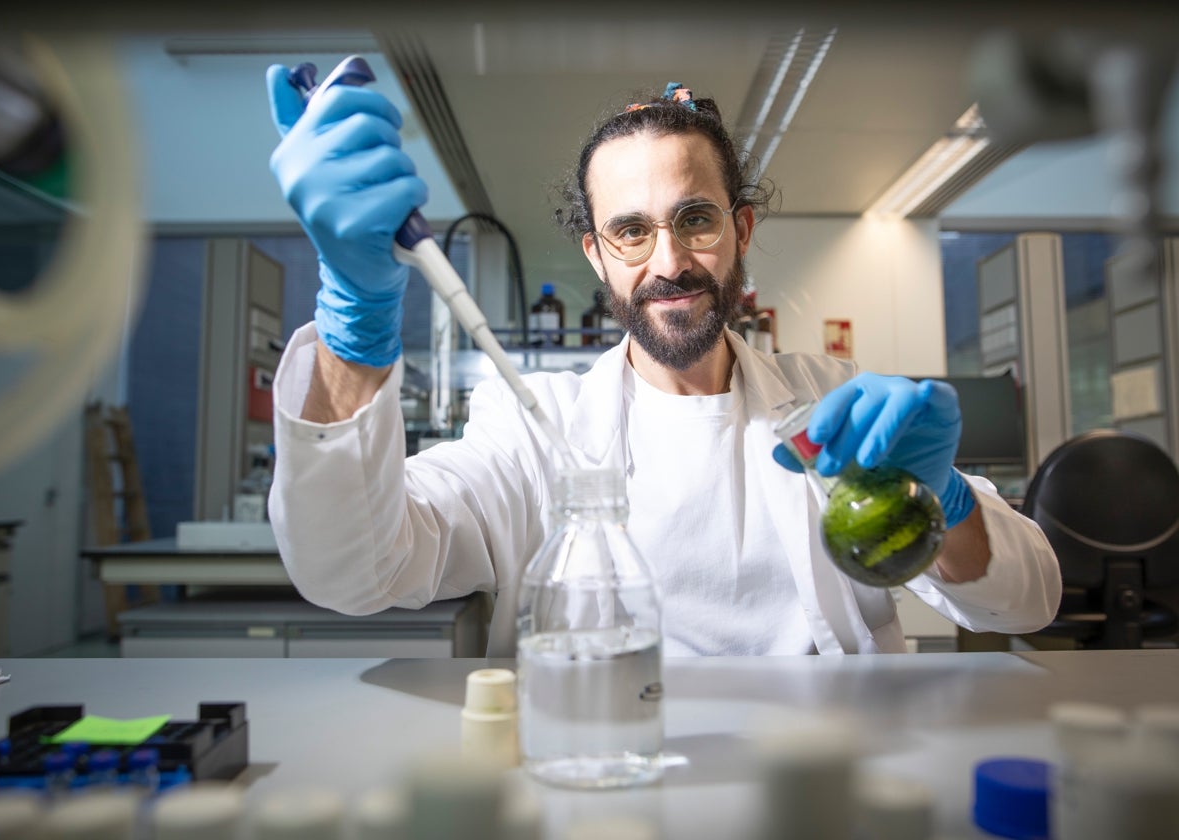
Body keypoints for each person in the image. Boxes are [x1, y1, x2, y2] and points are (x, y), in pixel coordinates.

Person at [264, 69, 1061, 656]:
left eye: (696, 219)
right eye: (632, 231)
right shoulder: (536, 427)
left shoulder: (830, 402)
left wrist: (946, 503)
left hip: (828, 775)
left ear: (742, 229)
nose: (669, 261)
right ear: (598, 254)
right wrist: (353, 326)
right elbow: (356, 571)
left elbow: (1028, 603)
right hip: (613, 768)